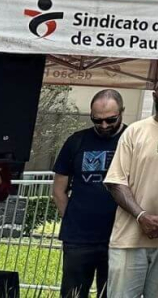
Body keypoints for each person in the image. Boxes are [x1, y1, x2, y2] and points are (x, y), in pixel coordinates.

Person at [105, 74, 158, 298]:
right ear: (154, 95)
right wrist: (142, 216)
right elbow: (116, 181)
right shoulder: (134, 131)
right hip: (129, 239)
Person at [54, 89, 126, 298]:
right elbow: (59, 189)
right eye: (97, 120)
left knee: (111, 293)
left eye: (111, 120)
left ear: (122, 112)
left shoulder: (132, 139)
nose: (104, 125)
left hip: (118, 236)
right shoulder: (77, 140)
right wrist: (71, 218)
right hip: (78, 238)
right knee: (73, 293)